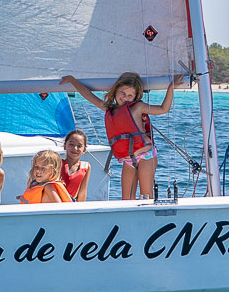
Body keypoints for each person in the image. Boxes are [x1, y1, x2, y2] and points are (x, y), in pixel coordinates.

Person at [61, 72, 180, 200]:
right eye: (122, 93)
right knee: (127, 199)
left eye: (130, 95)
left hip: (146, 156)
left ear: (135, 97)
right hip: (128, 160)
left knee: (146, 196)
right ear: (116, 89)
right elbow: (89, 96)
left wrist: (171, 88)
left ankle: (147, 218)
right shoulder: (109, 109)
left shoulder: (138, 107)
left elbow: (163, 109)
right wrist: (72, 80)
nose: (125, 97)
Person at [60, 129, 92, 201]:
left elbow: (82, 192)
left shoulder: (86, 167)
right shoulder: (58, 164)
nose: (75, 148)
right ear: (65, 146)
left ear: (84, 150)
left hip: (72, 203)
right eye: (71, 144)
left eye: (79, 146)